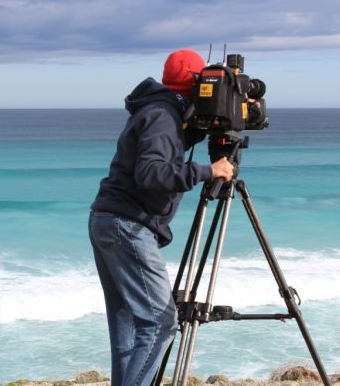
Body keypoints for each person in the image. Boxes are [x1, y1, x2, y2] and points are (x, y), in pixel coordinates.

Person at [88, 49, 234, 385]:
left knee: (128, 327)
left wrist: (207, 127)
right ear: (196, 83)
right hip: (127, 226)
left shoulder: (160, 110)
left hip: (109, 220)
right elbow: (152, 172)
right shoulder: (162, 116)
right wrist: (208, 170)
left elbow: (166, 147)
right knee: (160, 323)